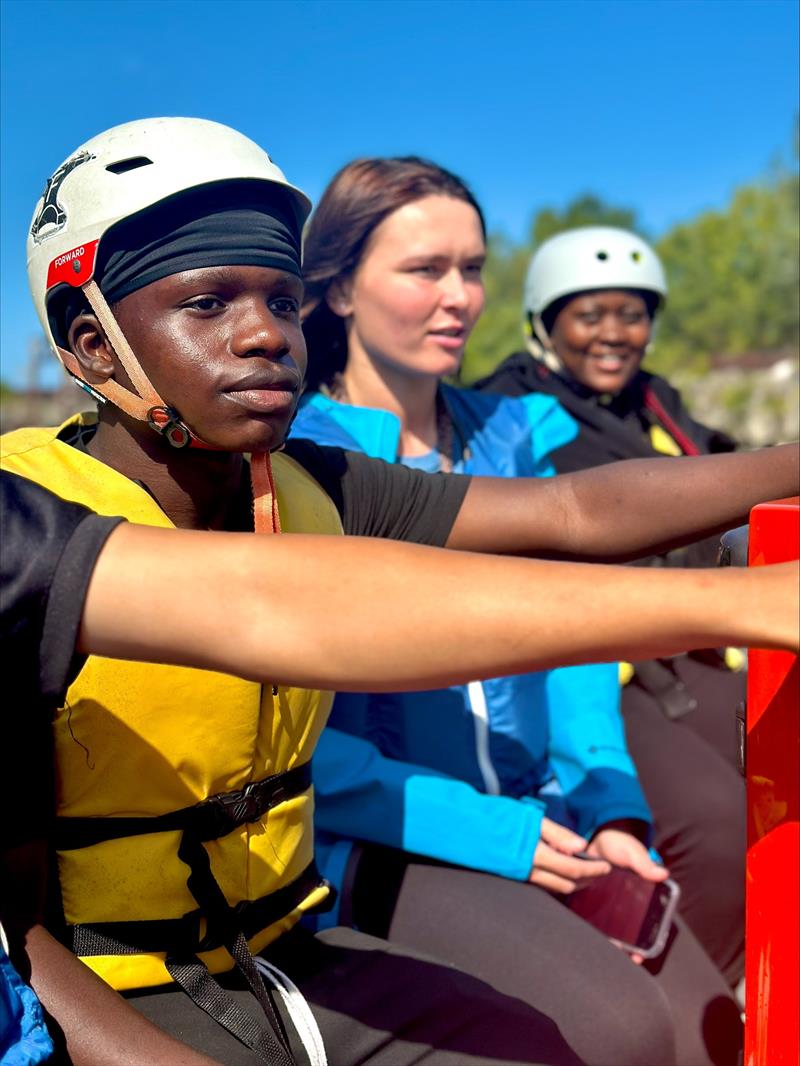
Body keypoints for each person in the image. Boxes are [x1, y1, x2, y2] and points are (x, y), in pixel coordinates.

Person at [2, 118, 797, 1066]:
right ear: (92, 349)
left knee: (573, 1038)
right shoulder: (28, 518)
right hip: (100, 978)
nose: (264, 334)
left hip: (282, 947)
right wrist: (743, 602)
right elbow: (282, 609)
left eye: (282, 302)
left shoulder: (320, 482)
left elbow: (576, 512)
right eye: (208, 303)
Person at [291, 157, 743, 1065]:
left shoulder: (506, 435)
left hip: (549, 816)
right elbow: (293, 737)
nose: (460, 297)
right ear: (338, 287)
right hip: (384, 833)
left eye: (473, 268)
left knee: (713, 1034)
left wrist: (611, 809)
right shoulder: (301, 458)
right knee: (622, 1036)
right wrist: (498, 834)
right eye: (425, 270)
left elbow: (571, 643)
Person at [475, 227, 750, 988]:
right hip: (598, 663)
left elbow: (733, 479)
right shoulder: (507, 412)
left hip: (693, 643)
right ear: (545, 321)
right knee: (717, 827)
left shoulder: (662, 408)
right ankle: (717, 994)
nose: (614, 334)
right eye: (589, 314)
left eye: (631, 315)